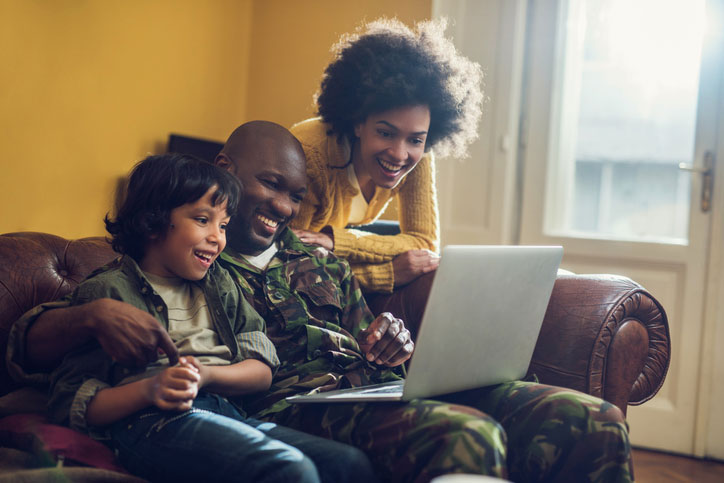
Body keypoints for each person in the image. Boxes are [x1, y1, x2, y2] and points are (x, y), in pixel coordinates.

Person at [10, 122, 633, 482]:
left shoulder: (310, 256)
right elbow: (45, 343)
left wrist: (393, 339)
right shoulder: (196, 262)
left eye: (295, 195)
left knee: (591, 417)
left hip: (380, 386)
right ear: (223, 176)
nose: (283, 207)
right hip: (298, 405)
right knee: (467, 436)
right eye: (269, 186)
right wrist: (92, 318)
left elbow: (375, 340)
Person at [13, 154, 377, 483]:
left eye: (223, 226)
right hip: (152, 422)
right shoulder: (109, 292)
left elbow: (262, 369)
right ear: (153, 222)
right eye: (203, 220)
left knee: (348, 464)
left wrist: (206, 375)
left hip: (227, 412)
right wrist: (151, 389)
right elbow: (72, 401)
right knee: (288, 469)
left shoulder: (219, 283)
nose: (217, 239)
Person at [289, 18, 484, 336]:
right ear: (357, 123)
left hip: (338, 243)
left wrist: (335, 241)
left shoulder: (418, 154)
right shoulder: (312, 154)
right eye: (385, 133)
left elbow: (423, 242)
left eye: (415, 139)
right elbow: (295, 268)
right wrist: (387, 275)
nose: (399, 153)